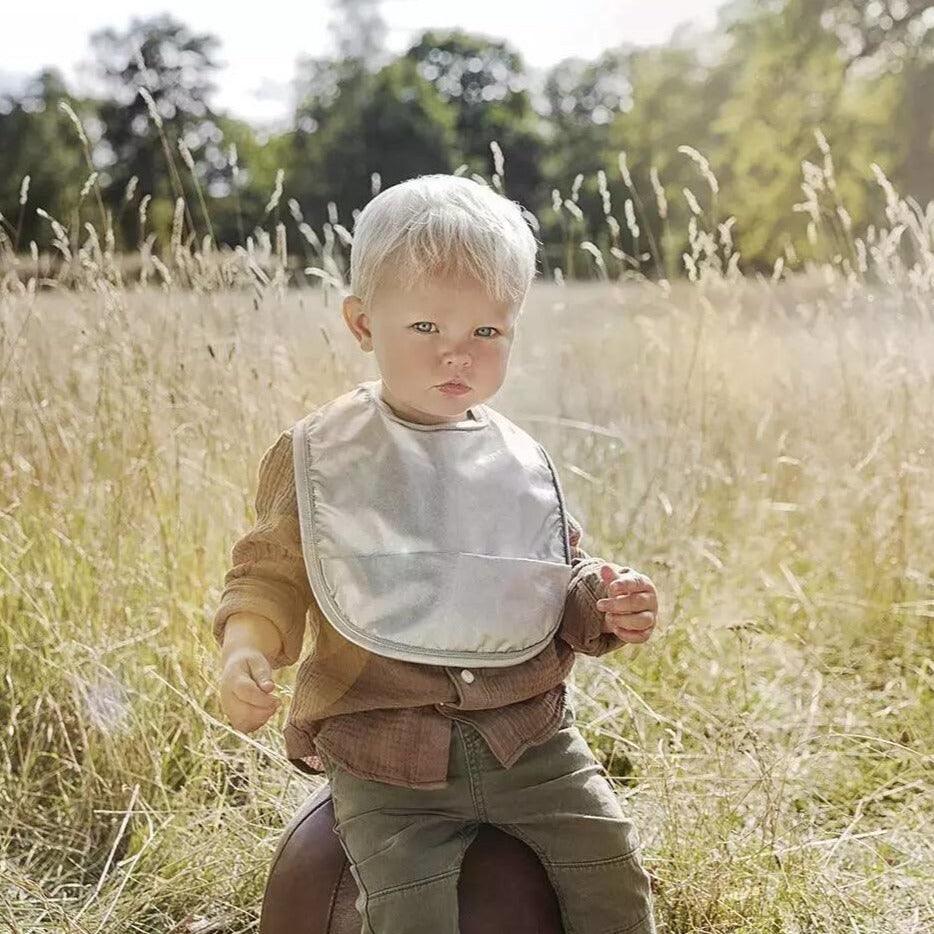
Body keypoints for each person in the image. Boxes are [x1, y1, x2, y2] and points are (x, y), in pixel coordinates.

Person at [213, 173, 661, 934]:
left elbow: (556, 578)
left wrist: (606, 604)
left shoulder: (517, 460)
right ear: (362, 323)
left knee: (611, 867)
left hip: (530, 741)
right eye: (426, 329)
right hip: (387, 753)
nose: (458, 356)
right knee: (405, 905)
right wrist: (244, 650)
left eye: (486, 333)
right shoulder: (319, 454)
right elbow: (270, 573)